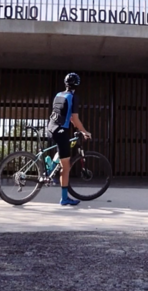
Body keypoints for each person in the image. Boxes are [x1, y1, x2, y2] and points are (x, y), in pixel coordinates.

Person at [47, 72, 92, 206]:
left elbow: (65, 115)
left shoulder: (58, 95)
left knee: (62, 149)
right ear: (77, 85)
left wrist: (77, 127)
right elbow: (75, 118)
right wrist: (85, 131)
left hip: (50, 128)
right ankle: (64, 198)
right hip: (61, 131)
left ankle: (52, 164)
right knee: (66, 167)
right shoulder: (73, 97)